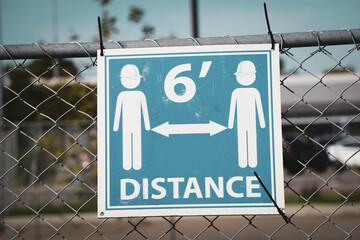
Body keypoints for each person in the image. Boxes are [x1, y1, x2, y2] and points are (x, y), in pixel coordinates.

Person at [228, 61, 265, 168]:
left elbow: (259, 108)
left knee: (252, 139)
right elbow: (232, 109)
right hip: (241, 122)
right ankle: (243, 162)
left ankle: (253, 161)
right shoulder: (236, 92)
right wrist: (230, 123)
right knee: (242, 140)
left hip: (252, 122)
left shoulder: (255, 92)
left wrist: (262, 123)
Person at [113, 64, 150, 170]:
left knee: (137, 142)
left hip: (137, 124)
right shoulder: (122, 95)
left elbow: (145, 111)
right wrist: (116, 126)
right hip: (126, 125)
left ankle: (137, 164)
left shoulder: (140, 94)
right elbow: (118, 112)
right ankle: (127, 164)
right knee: (127, 143)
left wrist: (147, 125)